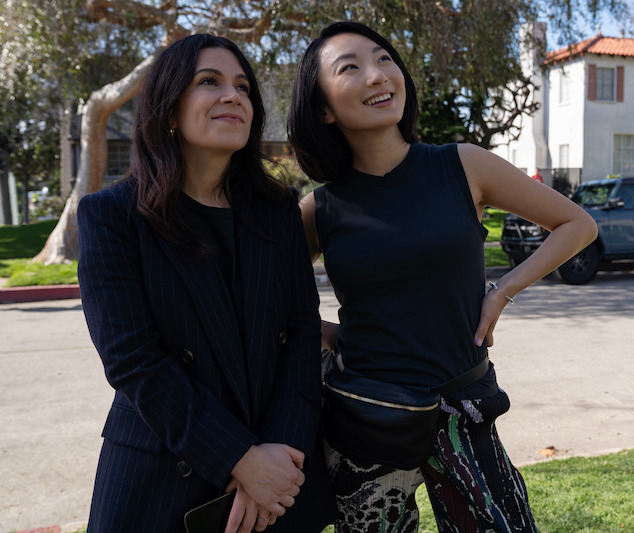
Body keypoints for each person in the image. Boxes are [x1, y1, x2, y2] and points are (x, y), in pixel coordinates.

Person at [287, 21, 598, 533]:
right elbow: (263, 294)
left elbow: (577, 224)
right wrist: (324, 334)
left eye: (384, 58)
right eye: (350, 67)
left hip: (466, 406)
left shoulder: (462, 164)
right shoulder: (319, 209)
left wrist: (502, 292)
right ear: (322, 107)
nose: (376, 75)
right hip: (369, 414)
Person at [77, 34, 333, 533]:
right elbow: (134, 361)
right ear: (169, 109)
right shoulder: (111, 217)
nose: (233, 95)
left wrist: (277, 456)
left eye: (243, 86)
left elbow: (301, 333)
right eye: (209, 82)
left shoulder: (279, 213)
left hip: (279, 471)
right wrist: (239, 458)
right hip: (161, 472)